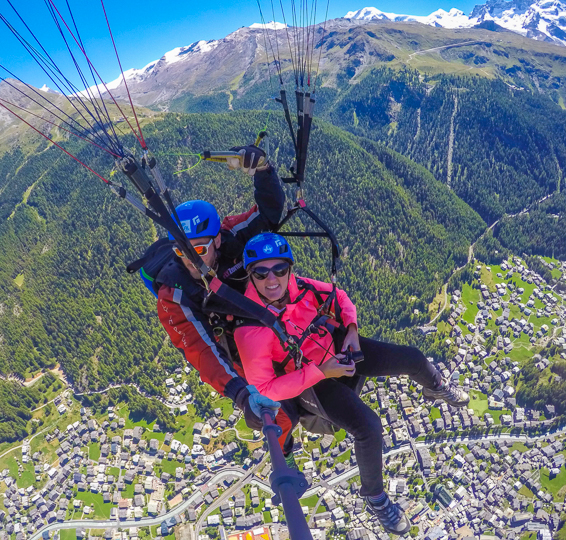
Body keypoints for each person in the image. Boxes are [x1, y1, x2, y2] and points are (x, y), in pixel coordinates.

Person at [233, 232, 470, 536]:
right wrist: (322, 372)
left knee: (411, 357)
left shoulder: (301, 287)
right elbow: (264, 389)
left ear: (289, 268)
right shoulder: (251, 329)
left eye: (279, 269)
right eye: (261, 272)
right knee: (368, 427)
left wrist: (352, 331)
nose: (272, 279)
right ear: (250, 276)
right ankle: (375, 497)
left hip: (337, 349)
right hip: (308, 380)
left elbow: (340, 297)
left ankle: (435, 386)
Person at [129, 146, 298, 449]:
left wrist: (263, 170)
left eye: (200, 250)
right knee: (283, 414)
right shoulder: (174, 292)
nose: (192, 261)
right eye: (182, 251)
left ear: (218, 239)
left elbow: (268, 214)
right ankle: (284, 449)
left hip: (257, 322)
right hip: (231, 345)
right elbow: (200, 350)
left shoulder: (233, 237)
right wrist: (241, 394)